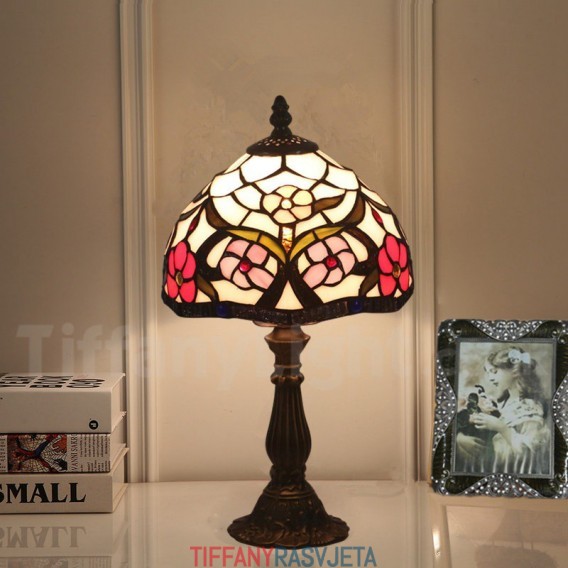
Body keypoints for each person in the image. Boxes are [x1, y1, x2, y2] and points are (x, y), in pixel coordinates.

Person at [456, 346, 551, 476]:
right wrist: (459, 438)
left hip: (513, 473)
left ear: (515, 372)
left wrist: (502, 428)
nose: (490, 378)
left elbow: (534, 453)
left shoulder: (531, 408)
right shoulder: (500, 403)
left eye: (494, 372)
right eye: (488, 373)